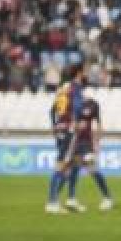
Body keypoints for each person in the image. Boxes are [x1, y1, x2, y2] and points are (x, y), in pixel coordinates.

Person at [63, 91, 114, 212]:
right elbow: (73, 127)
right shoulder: (74, 106)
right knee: (74, 169)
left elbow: (98, 125)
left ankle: (107, 197)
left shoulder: (92, 105)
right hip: (77, 142)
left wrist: (97, 144)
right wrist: (75, 128)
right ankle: (71, 198)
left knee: (92, 170)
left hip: (87, 143)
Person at [45, 65, 86, 214]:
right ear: (79, 73)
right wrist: (75, 123)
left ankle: (71, 199)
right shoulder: (75, 88)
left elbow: (52, 110)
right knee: (62, 165)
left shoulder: (63, 88)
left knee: (75, 162)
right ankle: (52, 202)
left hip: (62, 128)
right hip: (69, 130)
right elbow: (76, 108)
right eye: (83, 73)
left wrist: (55, 126)